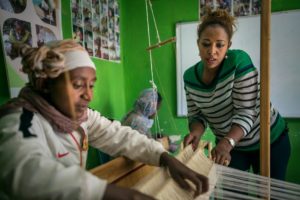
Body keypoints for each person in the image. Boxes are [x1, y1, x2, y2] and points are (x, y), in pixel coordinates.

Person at [0, 39, 208, 199]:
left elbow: (120, 136)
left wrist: (165, 158)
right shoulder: (20, 120)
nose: (88, 95)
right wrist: (112, 194)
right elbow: (26, 174)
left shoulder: (81, 116)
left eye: (91, 85)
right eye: (78, 84)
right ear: (45, 84)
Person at [183, 9, 290, 181]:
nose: (212, 51)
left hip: (269, 141)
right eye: (206, 44)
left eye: (219, 44)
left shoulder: (239, 62)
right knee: (232, 192)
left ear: (228, 46)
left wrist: (226, 143)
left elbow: (246, 112)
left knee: (270, 193)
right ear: (198, 44)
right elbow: (197, 115)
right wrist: (195, 133)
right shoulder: (189, 77)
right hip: (232, 146)